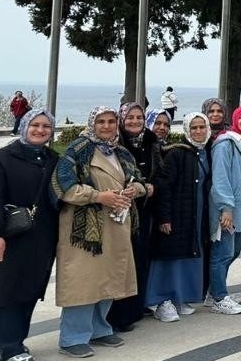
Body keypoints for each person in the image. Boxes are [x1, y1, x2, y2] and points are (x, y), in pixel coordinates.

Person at [53, 107, 149, 357]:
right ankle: (72, 338)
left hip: (116, 223)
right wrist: (98, 196)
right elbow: (63, 187)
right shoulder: (78, 150)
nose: (107, 126)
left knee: (109, 277)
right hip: (85, 228)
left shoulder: (121, 152)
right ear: (91, 124)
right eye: (101, 121)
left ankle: (100, 329)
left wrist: (134, 190)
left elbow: (139, 179)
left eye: (111, 121)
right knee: (83, 281)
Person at [0, 109, 58, 361]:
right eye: (35, 125)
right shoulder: (4, 159)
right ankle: (8, 347)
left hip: (41, 237)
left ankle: (13, 340)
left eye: (46, 126)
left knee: (29, 290)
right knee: (4, 290)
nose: (40, 130)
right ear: (24, 126)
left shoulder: (51, 158)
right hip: (10, 236)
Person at [147, 113, 210, 323]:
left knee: (186, 257)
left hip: (195, 214)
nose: (199, 131)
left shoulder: (203, 152)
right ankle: (162, 300)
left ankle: (179, 297)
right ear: (186, 130)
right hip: (176, 213)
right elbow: (164, 187)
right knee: (169, 258)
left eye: (202, 127)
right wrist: (164, 217)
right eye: (194, 128)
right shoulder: (177, 153)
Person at [107, 102, 161, 333]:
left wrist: (151, 187)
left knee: (139, 260)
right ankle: (114, 315)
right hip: (118, 210)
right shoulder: (113, 144)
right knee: (120, 261)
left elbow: (160, 173)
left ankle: (133, 309)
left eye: (139, 117)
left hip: (145, 210)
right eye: (130, 117)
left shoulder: (151, 143)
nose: (135, 121)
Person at [206, 106, 241, 316]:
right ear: (235, 118)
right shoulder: (225, 143)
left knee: (233, 252)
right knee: (222, 253)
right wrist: (226, 208)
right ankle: (218, 297)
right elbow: (220, 177)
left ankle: (215, 292)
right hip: (229, 208)